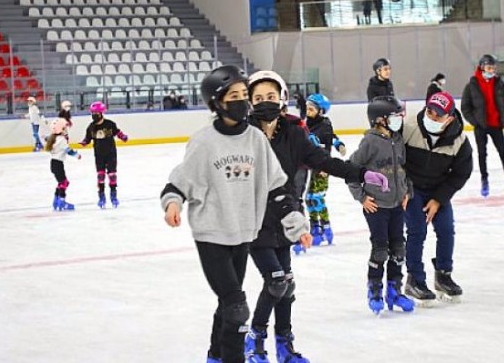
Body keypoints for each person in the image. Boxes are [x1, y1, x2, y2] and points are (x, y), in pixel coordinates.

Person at [160, 65, 309, 363]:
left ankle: (215, 356)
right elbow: (180, 180)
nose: (243, 101)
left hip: (244, 234)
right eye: (234, 96)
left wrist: (296, 226)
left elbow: (279, 190)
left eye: (245, 95)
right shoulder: (205, 141)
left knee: (227, 303)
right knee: (237, 307)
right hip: (212, 235)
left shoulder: (255, 139)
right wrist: (173, 203)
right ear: (217, 102)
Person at [244, 70, 388, 362]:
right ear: (249, 102)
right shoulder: (242, 135)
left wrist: (361, 173)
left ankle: (285, 346)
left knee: (286, 284)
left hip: (286, 217)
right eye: (258, 98)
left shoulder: (294, 134)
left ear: (282, 98)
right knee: (276, 280)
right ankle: (254, 338)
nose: (265, 102)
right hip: (253, 220)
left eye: (270, 96)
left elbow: (323, 161)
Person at [402, 91, 473, 305]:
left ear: (449, 118)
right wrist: (402, 187)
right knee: (417, 229)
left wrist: (439, 199)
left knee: (445, 229)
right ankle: (414, 279)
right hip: (411, 188)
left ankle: (443, 274)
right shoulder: (409, 127)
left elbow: (461, 173)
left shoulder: (459, 140)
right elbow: (394, 159)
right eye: (430, 111)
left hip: (437, 190)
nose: (431, 117)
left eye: (438, 115)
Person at [348, 96, 415, 315]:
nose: (399, 121)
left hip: (397, 203)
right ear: (380, 120)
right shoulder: (370, 142)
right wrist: (361, 197)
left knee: (398, 248)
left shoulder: (397, 139)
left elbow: (404, 169)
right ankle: (375, 289)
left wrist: (407, 192)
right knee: (380, 249)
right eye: (395, 116)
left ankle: (394, 290)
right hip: (376, 206)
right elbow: (351, 170)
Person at [461, 54, 504, 197]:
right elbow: (465, 107)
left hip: (497, 125)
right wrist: (475, 122)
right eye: (488, 67)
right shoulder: (471, 85)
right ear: (482, 67)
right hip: (481, 126)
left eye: (493, 68)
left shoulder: (499, 83)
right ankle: (484, 181)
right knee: (482, 154)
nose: (491, 70)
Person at [304, 93, 340, 246]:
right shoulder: (307, 124)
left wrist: (325, 166)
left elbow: (327, 145)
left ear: (320, 111)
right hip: (310, 166)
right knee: (309, 198)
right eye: (307, 108)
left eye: (311, 109)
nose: (308, 111)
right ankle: (315, 227)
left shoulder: (324, 126)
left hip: (322, 167)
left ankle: (326, 226)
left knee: (317, 198)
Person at [79, 102, 128, 209]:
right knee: (100, 176)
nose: (94, 115)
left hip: (111, 154)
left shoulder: (109, 124)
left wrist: (123, 137)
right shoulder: (91, 127)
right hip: (99, 155)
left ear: (101, 113)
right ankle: (101, 196)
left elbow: (117, 132)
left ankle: (113, 195)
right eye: (92, 113)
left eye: (96, 113)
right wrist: (83, 142)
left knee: (112, 175)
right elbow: (87, 138)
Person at [45, 117, 81, 211]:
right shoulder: (61, 139)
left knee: (61, 182)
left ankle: (56, 200)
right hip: (58, 164)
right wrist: (77, 155)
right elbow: (68, 150)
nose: (66, 130)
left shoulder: (53, 138)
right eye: (65, 128)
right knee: (64, 183)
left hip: (54, 163)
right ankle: (61, 201)